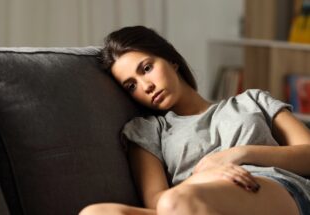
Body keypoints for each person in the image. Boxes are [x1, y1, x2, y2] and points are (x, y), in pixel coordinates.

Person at [79, 26, 310, 215]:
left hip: (267, 188)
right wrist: (204, 176)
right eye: (132, 86)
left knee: (176, 202)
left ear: (171, 60)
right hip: (186, 204)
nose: (146, 86)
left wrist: (238, 154)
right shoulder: (148, 130)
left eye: (147, 68)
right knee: (96, 213)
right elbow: (155, 201)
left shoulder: (252, 100)